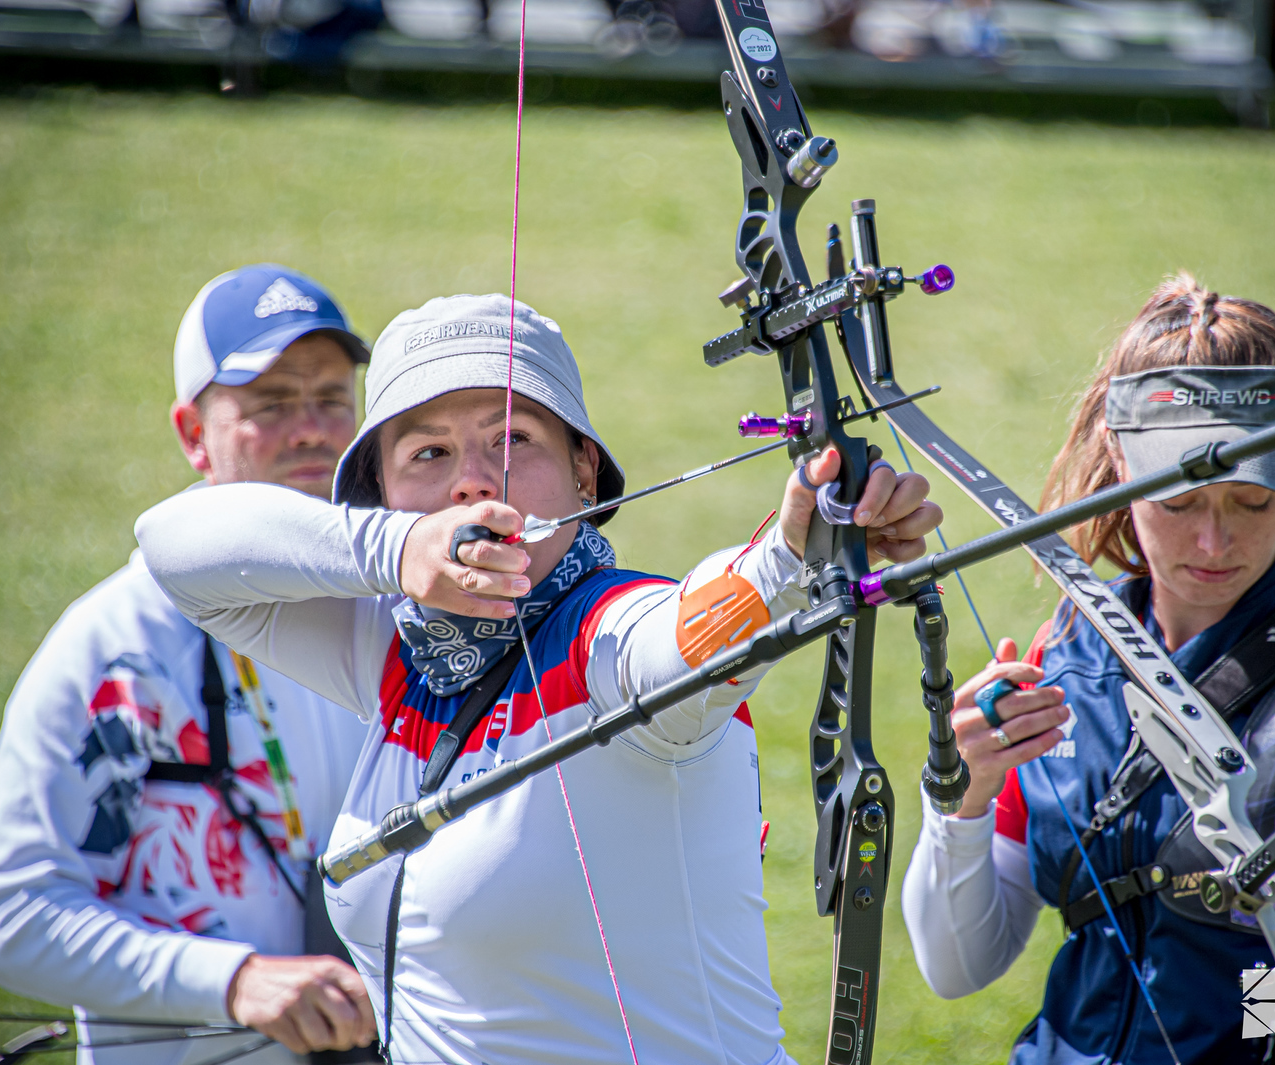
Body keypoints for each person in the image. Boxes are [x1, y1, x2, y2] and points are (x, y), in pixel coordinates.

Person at [135, 292, 943, 1065]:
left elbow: (683, 639)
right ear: (381, 493)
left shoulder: (610, 636)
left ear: (584, 471)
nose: (473, 481)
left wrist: (790, 560)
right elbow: (172, 546)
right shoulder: (395, 652)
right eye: (428, 453)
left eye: (512, 439)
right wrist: (393, 551)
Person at [901, 275, 1275, 1065]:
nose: (1215, 544)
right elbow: (957, 965)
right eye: (1179, 504)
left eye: (1253, 502)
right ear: (1122, 461)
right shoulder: (1065, 654)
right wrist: (962, 796)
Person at [0, 264, 382, 1065]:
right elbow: (10, 914)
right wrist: (234, 979)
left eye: (332, 398)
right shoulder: (115, 648)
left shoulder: (384, 620)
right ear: (193, 433)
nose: (312, 428)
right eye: (270, 403)